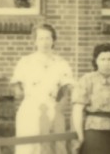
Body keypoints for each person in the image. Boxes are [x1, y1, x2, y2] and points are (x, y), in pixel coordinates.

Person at [11, 23, 74, 154]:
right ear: (35, 41)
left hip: (52, 108)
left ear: (53, 40)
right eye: (41, 38)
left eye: (48, 38)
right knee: (28, 147)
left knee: (51, 147)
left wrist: (58, 110)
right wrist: (20, 92)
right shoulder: (25, 62)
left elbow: (66, 89)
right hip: (30, 109)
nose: (44, 42)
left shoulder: (61, 63)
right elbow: (16, 85)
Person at [71, 42, 110, 154]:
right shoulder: (87, 80)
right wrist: (80, 136)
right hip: (95, 133)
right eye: (102, 59)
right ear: (96, 61)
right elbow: (77, 110)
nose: (106, 63)